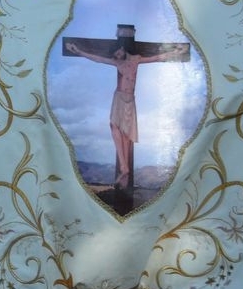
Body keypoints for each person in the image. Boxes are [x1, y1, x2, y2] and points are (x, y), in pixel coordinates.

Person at [63, 26, 191, 191]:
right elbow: (97, 59)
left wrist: (176, 52)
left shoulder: (136, 59)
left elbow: (157, 57)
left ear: (122, 48)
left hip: (130, 100)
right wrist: (79, 51)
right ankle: (124, 167)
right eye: (114, 56)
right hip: (118, 98)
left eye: (117, 53)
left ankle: (125, 169)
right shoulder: (116, 61)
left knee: (127, 134)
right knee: (114, 126)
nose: (116, 57)